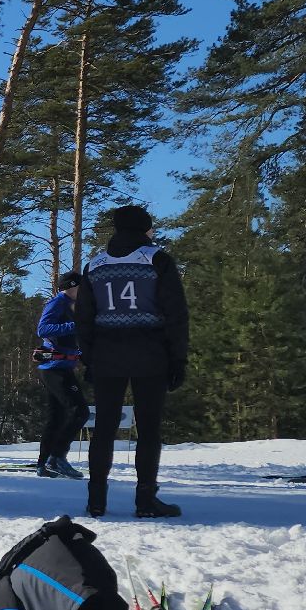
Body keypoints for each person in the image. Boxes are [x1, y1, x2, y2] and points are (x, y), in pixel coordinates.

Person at [76, 205, 189, 518]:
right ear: (145, 229)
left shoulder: (95, 265)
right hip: (150, 352)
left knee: (104, 429)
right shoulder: (157, 260)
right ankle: (145, 499)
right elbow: (176, 314)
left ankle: (96, 500)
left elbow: (83, 317)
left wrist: (88, 358)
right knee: (149, 429)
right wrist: (178, 358)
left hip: (106, 354)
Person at [35, 271, 90, 479]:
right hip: (54, 367)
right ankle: (57, 457)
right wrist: (76, 325)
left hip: (59, 366)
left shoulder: (71, 304)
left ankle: (43, 464)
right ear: (73, 286)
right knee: (80, 411)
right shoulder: (59, 302)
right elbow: (43, 329)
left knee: (56, 417)